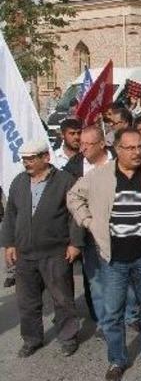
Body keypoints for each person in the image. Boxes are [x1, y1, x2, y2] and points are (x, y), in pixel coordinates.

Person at [67, 128, 141, 380]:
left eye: (139, 147)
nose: (136, 152)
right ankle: (117, 360)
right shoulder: (99, 176)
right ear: (118, 149)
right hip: (112, 258)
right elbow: (73, 196)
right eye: (130, 148)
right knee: (112, 314)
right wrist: (88, 221)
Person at [1, 140, 82, 358]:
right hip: (25, 253)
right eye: (24, 159)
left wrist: (75, 243)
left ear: (45, 157)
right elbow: (10, 215)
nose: (26, 163)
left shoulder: (65, 181)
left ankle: (67, 337)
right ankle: (32, 339)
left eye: (31, 159)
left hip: (55, 252)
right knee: (27, 302)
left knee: (62, 298)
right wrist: (9, 244)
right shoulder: (19, 182)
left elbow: (76, 215)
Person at [63, 125, 115, 327]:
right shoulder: (74, 166)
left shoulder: (120, 160)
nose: (83, 148)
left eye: (88, 144)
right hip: (90, 234)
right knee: (96, 282)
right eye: (81, 144)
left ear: (102, 144)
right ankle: (105, 323)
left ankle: (131, 317)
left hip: (120, 231)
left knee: (124, 278)